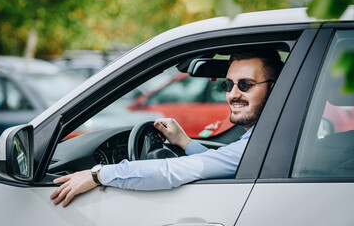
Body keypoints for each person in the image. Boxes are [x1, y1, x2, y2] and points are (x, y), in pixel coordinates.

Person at [50, 48, 283, 207]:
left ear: (272, 88)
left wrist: (98, 174)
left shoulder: (270, 143)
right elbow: (227, 162)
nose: (233, 94)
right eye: (228, 84)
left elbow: (170, 172)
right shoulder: (271, 140)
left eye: (245, 85)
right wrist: (184, 142)